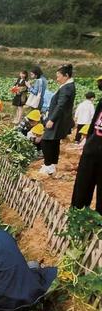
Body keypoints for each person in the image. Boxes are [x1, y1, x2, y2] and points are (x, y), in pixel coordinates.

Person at [71, 75, 102, 215]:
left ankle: (99, 221)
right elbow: (93, 127)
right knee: (84, 182)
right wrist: (87, 142)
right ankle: (78, 212)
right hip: (93, 148)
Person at [39, 64, 76, 176]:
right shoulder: (67, 86)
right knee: (54, 141)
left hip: (58, 119)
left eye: (58, 76)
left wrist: (52, 119)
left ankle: (48, 165)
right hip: (60, 118)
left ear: (66, 76)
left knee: (45, 141)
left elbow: (61, 105)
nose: (57, 78)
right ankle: (52, 165)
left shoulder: (67, 88)